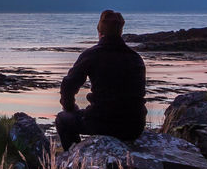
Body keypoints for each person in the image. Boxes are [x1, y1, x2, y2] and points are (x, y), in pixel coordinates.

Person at [55, 9, 146, 150]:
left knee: (63, 119)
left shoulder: (92, 55)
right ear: (120, 32)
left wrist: (70, 108)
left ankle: (76, 157)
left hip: (102, 123)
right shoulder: (135, 58)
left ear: (100, 33)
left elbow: (68, 86)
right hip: (134, 126)